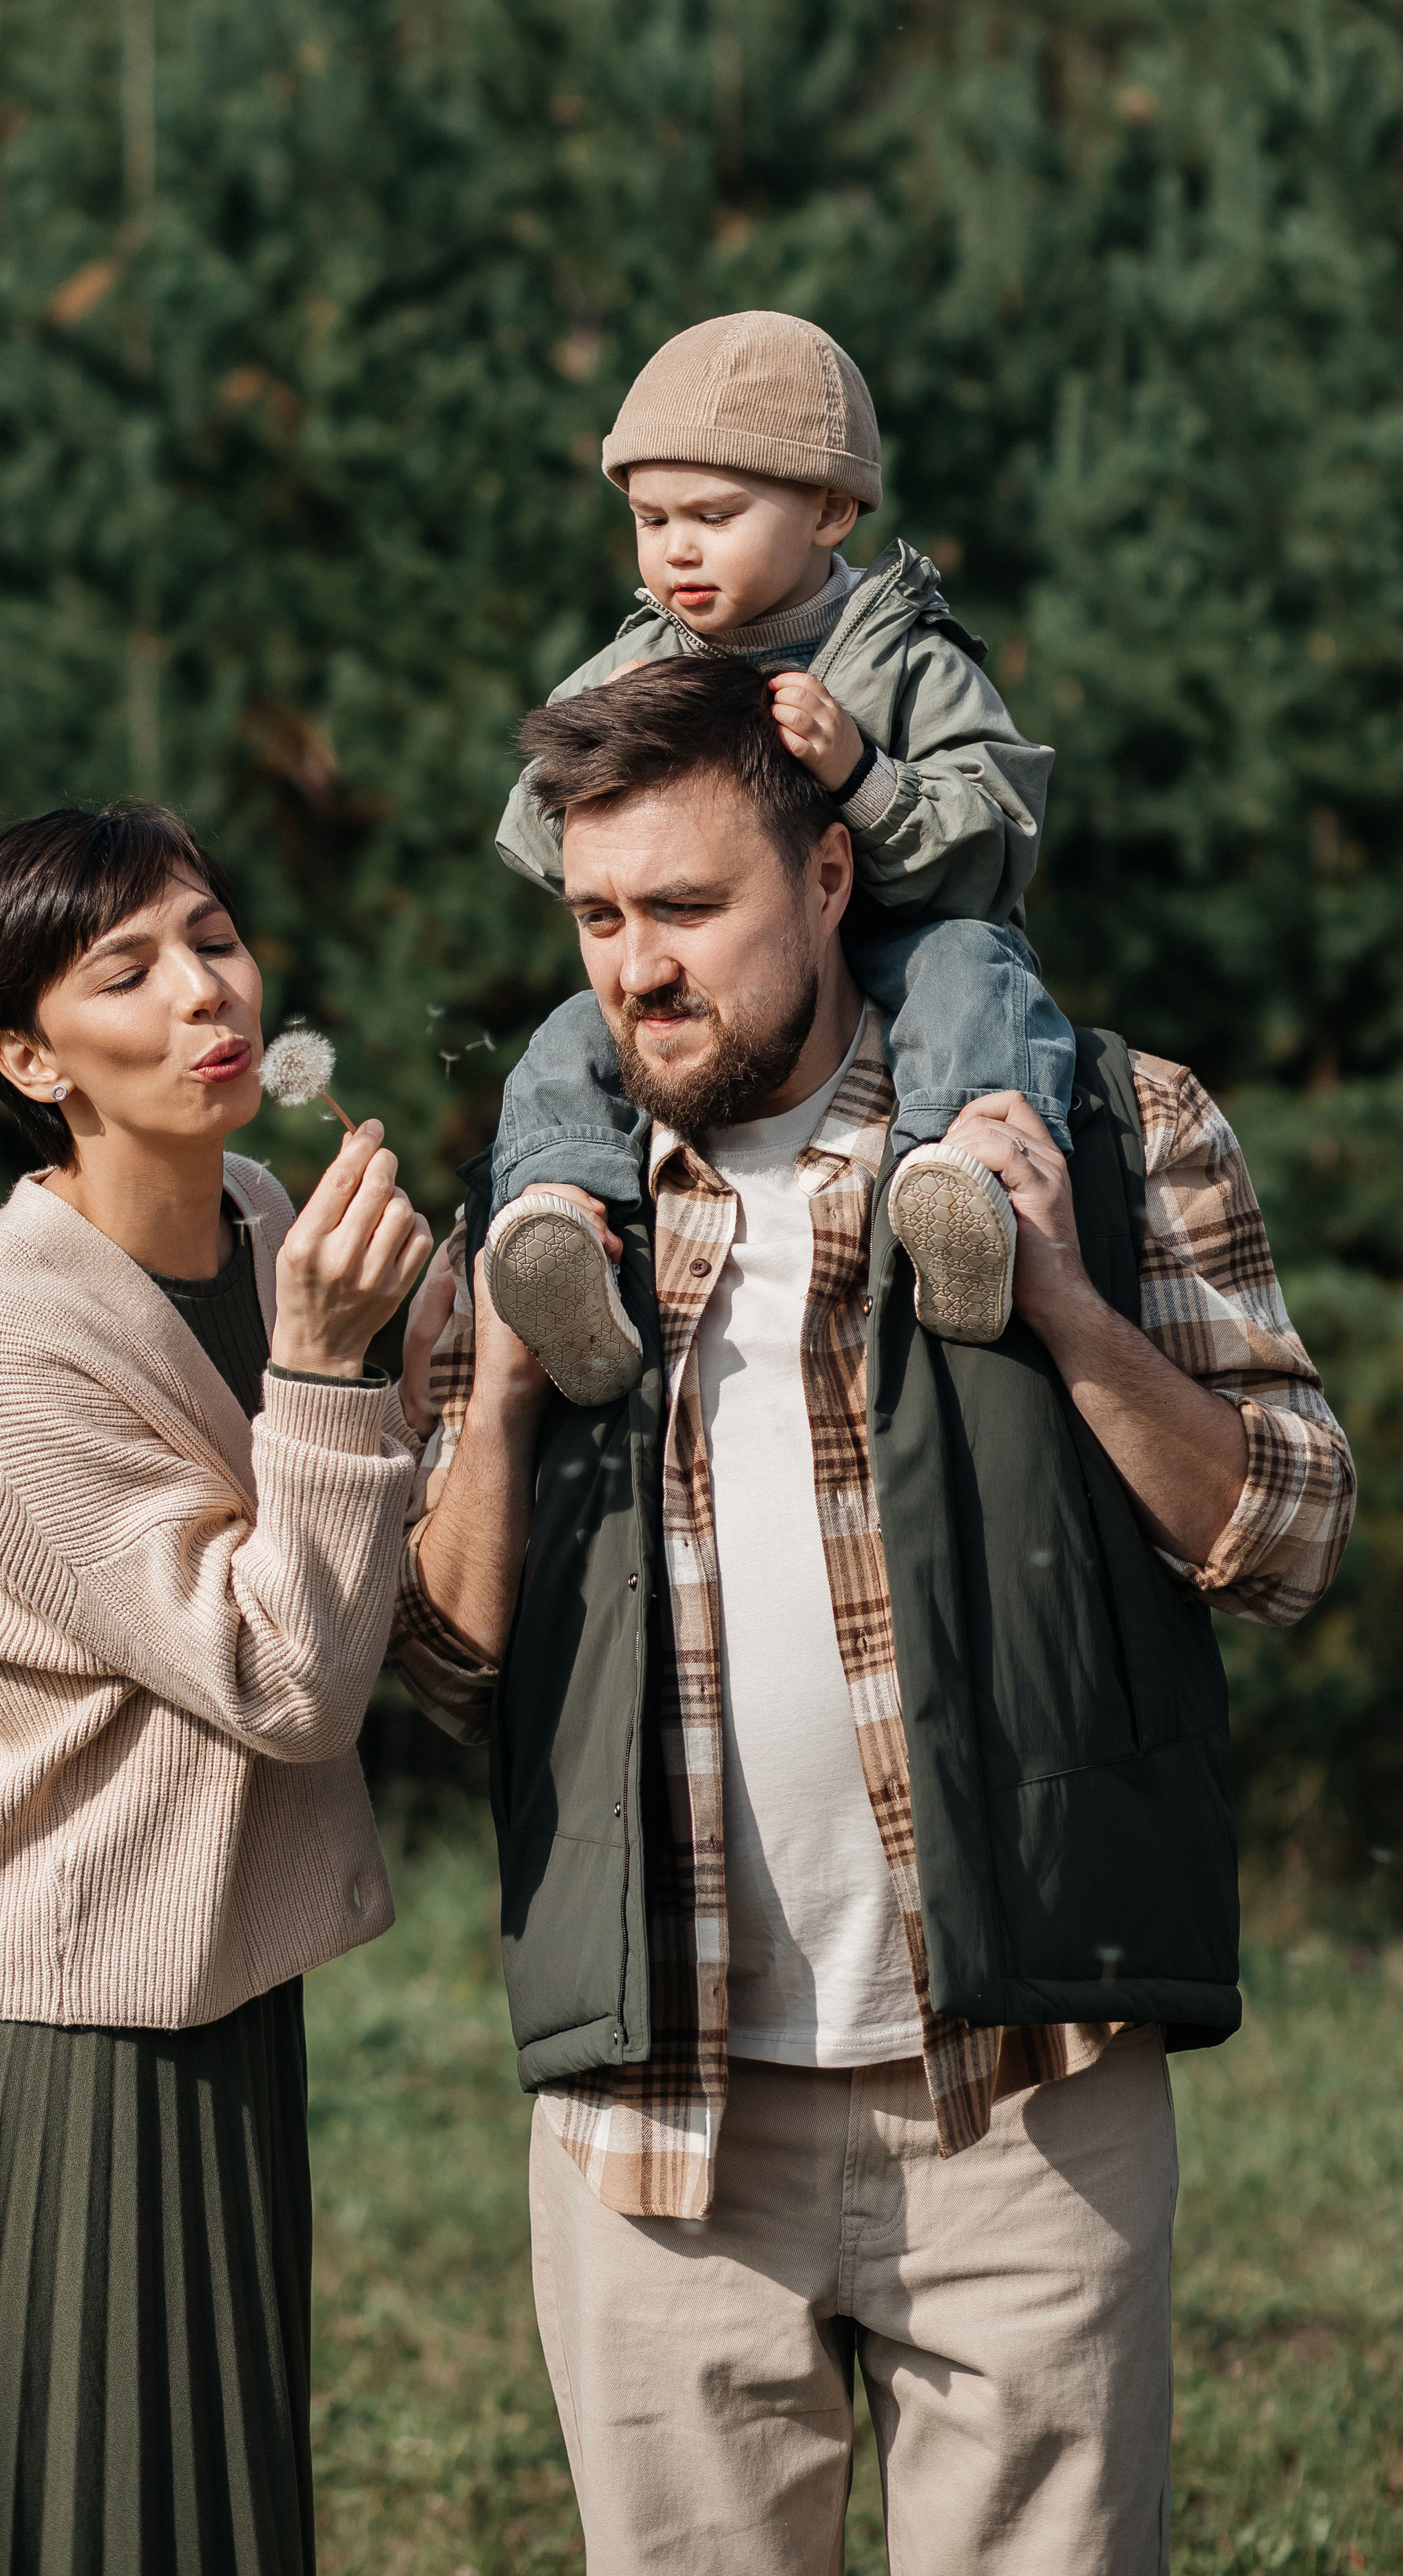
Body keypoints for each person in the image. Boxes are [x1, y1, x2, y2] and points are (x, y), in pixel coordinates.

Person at [392, 659, 1355, 2575]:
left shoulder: (1103, 1119)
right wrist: (494, 1398)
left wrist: (1072, 1313)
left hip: (1027, 2095)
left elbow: (1297, 1539)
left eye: (689, 907)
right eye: (597, 916)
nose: (634, 968)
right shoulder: (543, 1203)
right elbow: (439, 1670)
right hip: (656, 2125)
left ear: (834, 876)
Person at [0, 803, 433, 2576]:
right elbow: (281, 1676)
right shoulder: (4, 1329)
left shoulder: (260, 1216)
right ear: (32, 1060)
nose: (206, 990)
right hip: (55, 2043)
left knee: (206, 2513)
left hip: (211, 1997)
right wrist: (334, 1373)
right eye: (129, 970)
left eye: (213, 935)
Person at [481, 307, 1063, 1403]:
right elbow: (538, 825)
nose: (678, 550)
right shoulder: (637, 659)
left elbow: (998, 835)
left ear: (832, 510)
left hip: (901, 943)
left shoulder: (903, 653)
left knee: (978, 975)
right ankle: (560, 1228)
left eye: (714, 514)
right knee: (571, 1033)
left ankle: (963, 1190)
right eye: (651, 519)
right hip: (735, 975)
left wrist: (862, 771)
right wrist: (626, 777)